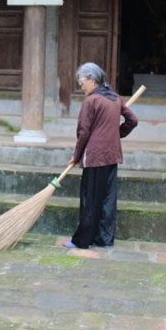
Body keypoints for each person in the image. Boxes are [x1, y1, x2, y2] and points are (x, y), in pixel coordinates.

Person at [65, 62, 138, 248]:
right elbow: (132, 120)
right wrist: (116, 134)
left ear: (92, 80)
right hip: (112, 155)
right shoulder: (115, 98)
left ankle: (82, 241)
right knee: (107, 198)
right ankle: (105, 239)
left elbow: (83, 132)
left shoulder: (91, 101)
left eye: (82, 81)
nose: (81, 85)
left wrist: (77, 155)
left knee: (90, 199)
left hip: (95, 156)